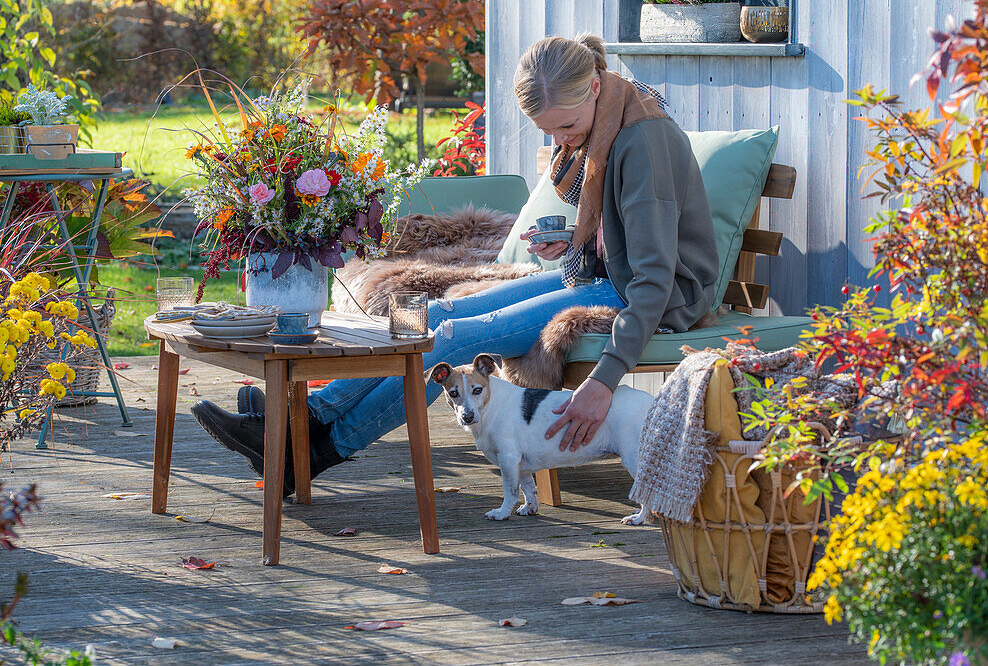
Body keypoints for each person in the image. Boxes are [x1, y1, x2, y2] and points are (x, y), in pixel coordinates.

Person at [191, 33, 719, 496]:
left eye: (566, 126)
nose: (561, 141)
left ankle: (310, 450)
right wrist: (580, 249)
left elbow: (654, 277)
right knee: (436, 314)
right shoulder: (608, 124)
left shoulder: (643, 142)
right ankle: (301, 422)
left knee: (456, 337)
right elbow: (625, 236)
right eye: (549, 132)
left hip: (649, 295)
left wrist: (604, 379)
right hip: (610, 276)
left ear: (596, 89)